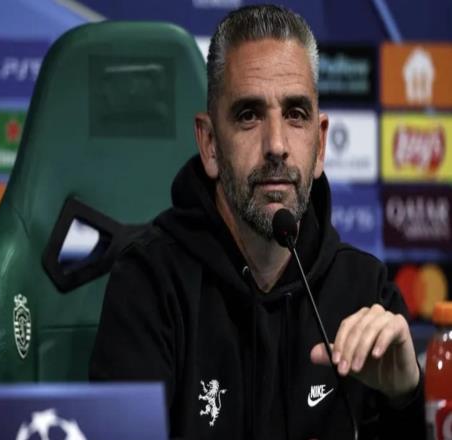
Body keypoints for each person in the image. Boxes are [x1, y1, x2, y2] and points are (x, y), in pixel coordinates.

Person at [90, 5, 425, 439]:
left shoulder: (366, 293)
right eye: (249, 114)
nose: (276, 145)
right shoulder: (148, 284)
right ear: (210, 144)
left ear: (321, 144)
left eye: (295, 114)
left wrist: (405, 398)